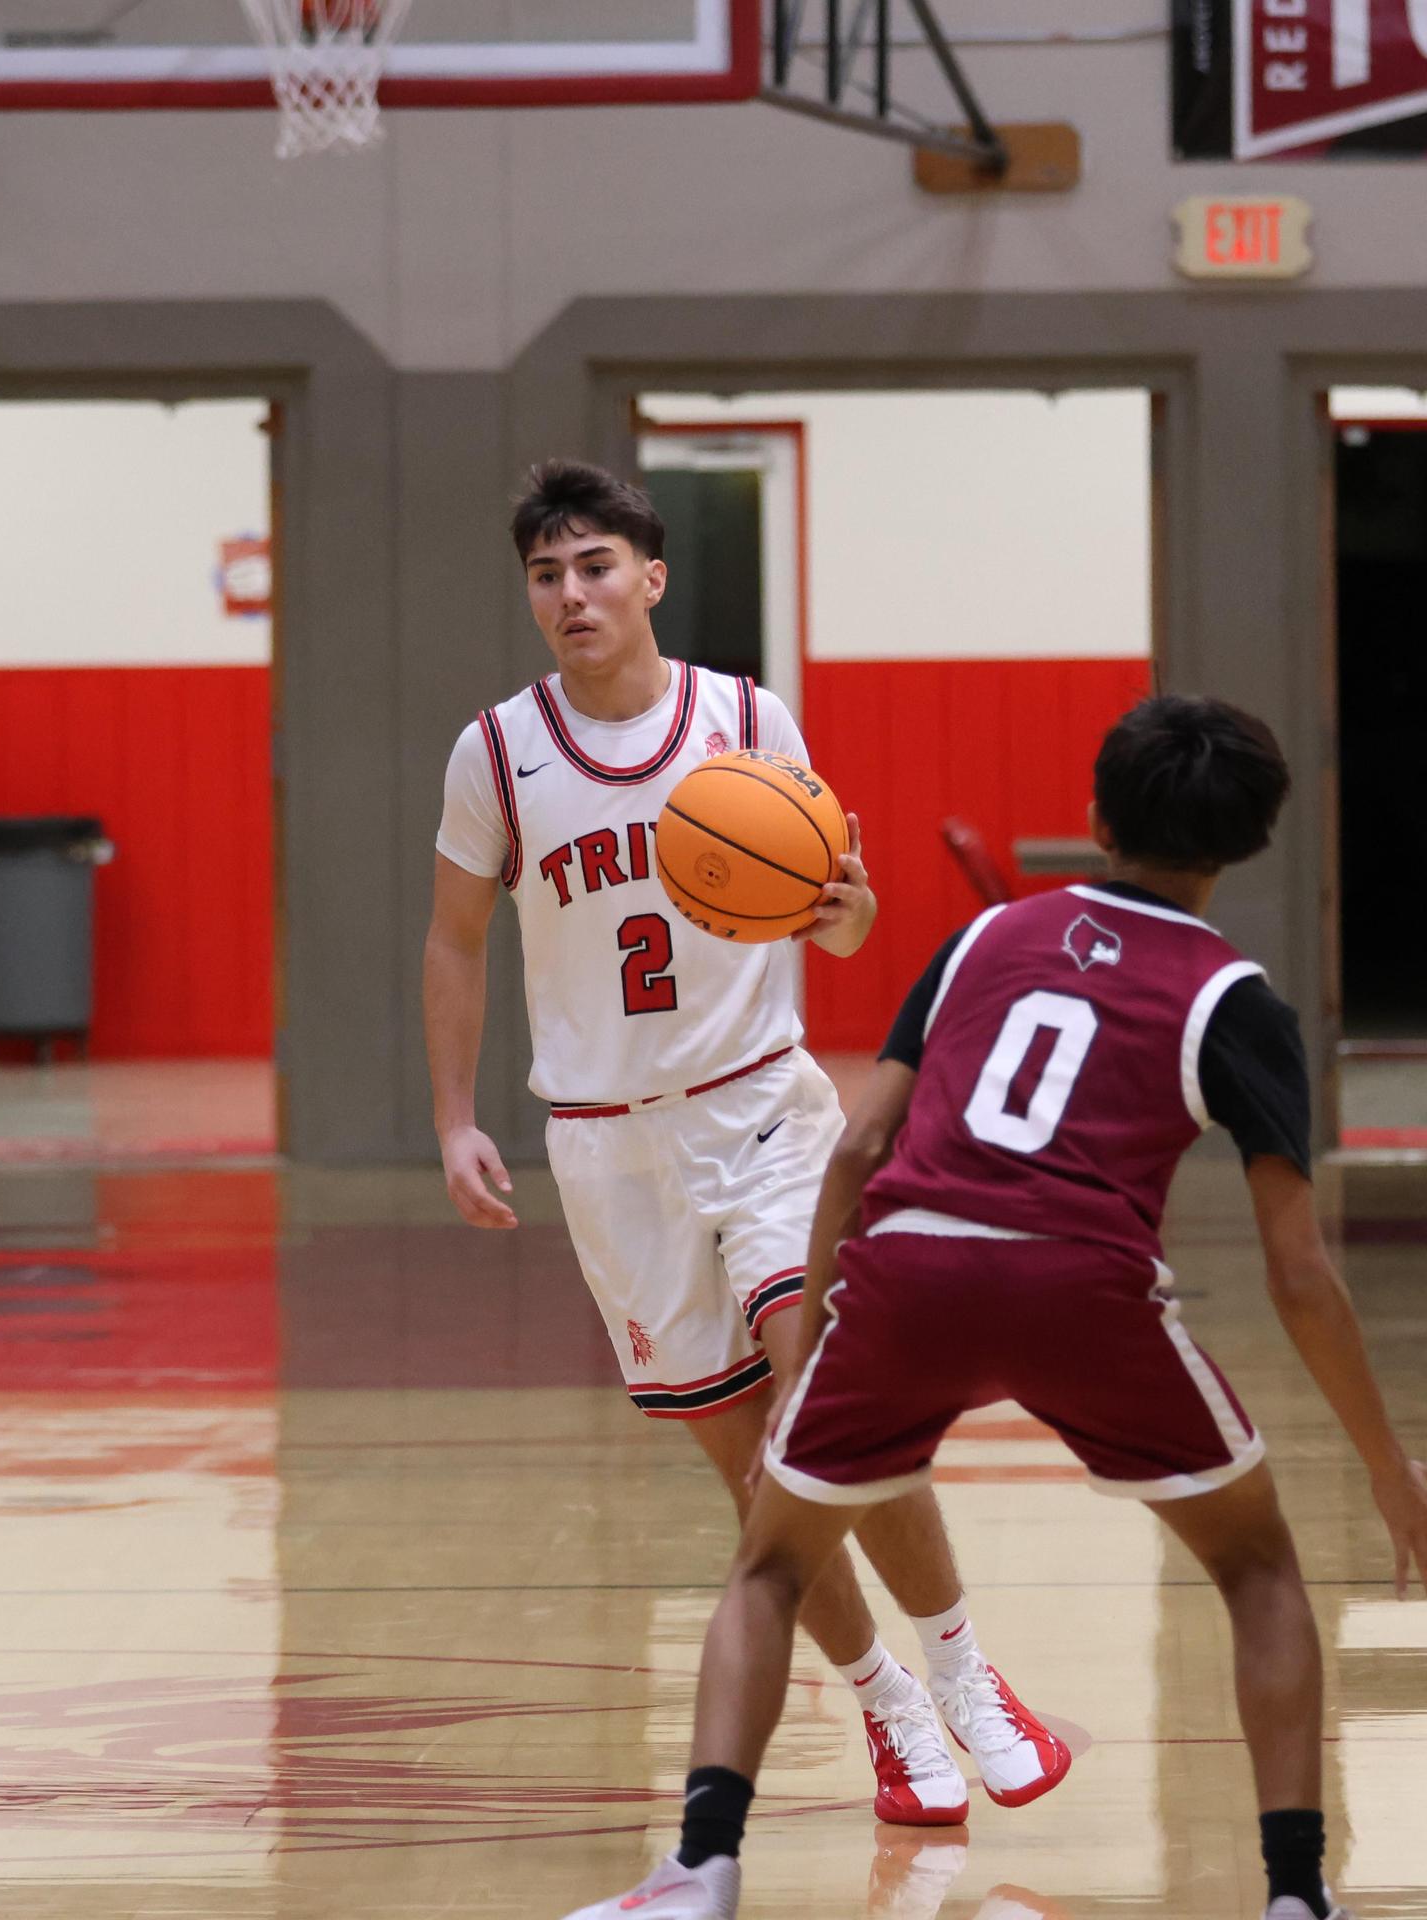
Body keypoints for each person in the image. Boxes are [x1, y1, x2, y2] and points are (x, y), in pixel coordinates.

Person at [562, 694, 1427, 1920]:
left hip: (911, 1270)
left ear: (1094, 820)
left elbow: (861, 1142)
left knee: (768, 1566)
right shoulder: (1236, 999)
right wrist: (1387, 1465)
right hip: (1083, 1285)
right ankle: (1297, 1895)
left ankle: (702, 1869)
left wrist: (826, 1317)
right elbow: (1299, 1275)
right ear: (1251, 843)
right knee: (1259, 1573)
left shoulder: (990, 938)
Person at [424, 461, 1070, 1836]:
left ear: (650, 578)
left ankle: (966, 1675)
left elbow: (837, 921)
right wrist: (453, 1115)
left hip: (763, 1110)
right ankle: (888, 1707)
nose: (570, 596)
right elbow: (454, 938)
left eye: (595, 567)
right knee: (749, 1464)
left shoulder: (742, 719)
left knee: (831, 1400)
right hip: (607, 1146)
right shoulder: (495, 752)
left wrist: (844, 907)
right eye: (546, 576)